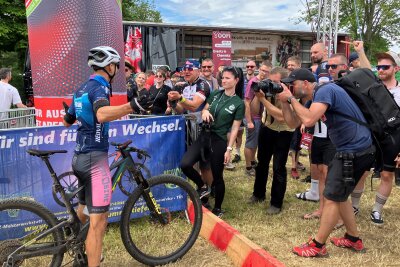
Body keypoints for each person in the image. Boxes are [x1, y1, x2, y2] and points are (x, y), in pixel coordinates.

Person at [279, 68, 375, 257]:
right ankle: (353, 239)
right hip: (354, 149)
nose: (290, 86)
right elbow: (291, 124)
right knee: (340, 195)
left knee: (331, 197)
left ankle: (317, 245)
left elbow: (308, 119)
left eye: (293, 83)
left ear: (305, 83)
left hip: (354, 150)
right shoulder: (311, 98)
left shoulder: (324, 90)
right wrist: (285, 102)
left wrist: (290, 99)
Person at [63, 46, 142, 266]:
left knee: (84, 210)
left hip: (79, 158)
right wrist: (131, 106)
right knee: (99, 222)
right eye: (116, 65)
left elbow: (66, 121)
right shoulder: (100, 86)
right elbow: (101, 114)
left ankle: (78, 249)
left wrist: (80, 115)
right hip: (94, 161)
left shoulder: (81, 89)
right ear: (109, 66)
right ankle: (90, 258)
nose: (116, 69)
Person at [180, 66, 244, 217]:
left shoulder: (239, 103)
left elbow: (235, 129)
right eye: (223, 77)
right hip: (204, 135)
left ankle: (218, 208)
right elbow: (204, 110)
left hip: (219, 141)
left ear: (236, 80)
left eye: (228, 78)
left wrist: (229, 149)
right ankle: (202, 186)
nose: (224, 80)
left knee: (217, 175)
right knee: (185, 164)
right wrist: (205, 111)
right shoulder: (216, 94)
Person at [351, 50, 400, 225]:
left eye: (385, 67)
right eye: (378, 67)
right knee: (362, 172)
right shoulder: (374, 86)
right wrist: (361, 51)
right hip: (370, 136)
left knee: (387, 175)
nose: (380, 70)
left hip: (393, 138)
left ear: (396, 68)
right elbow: (366, 70)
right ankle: (354, 207)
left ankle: (377, 210)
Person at [249, 67, 294, 215]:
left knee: (278, 167)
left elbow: (281, 116)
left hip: (284, 131)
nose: (272, 85)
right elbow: (255, 111)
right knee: (262, 163)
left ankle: (276, 203)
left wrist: (263, 99)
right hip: (267, 128)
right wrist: (257, 94)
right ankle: (258, 194)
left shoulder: (290, 94)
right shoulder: (268, 91)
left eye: (275, 82)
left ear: (284, 82)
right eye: (270, 81)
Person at [243, 61, 272, 176]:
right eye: (262, 70)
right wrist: (249, 121)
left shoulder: (265, 82)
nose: (263, 73)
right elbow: (247, 102)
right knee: (250, 143)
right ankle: (248, 167)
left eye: (266, 71)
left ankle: (253, 161)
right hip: (253, 117)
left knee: (255, 143)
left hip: (261, 117)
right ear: (259, 69)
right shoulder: (253, 82)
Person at [232, 60, 257, 164]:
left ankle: (252, 157)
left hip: (253, 111)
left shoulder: (257, 80)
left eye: (252, 66)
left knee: (251, 133)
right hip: (240, 109)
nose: (250, 68)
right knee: (238, 132)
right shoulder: (241, 79)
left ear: (255, 68)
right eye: (248, 66)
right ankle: (237, 153)